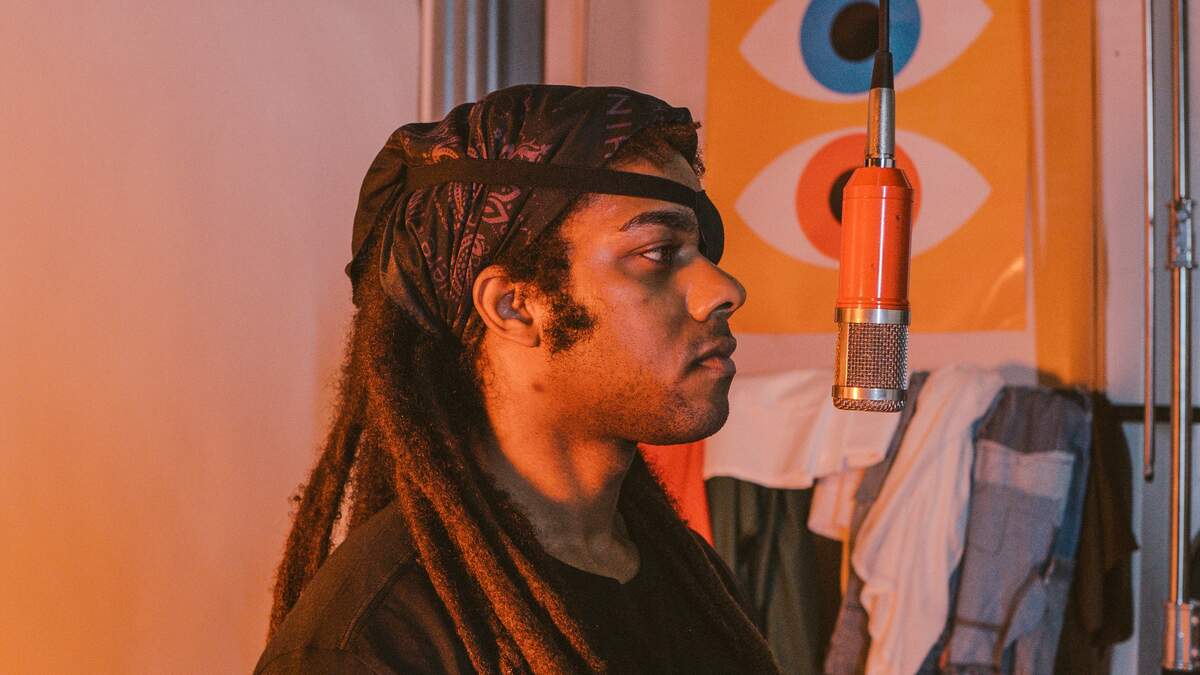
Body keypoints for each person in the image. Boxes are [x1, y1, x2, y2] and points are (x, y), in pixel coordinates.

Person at [255, 84, 779, 674]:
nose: (724, 290)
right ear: (514, 306)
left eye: (703, 251)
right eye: (658, 252)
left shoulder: (690, 577)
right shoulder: (373, 641)